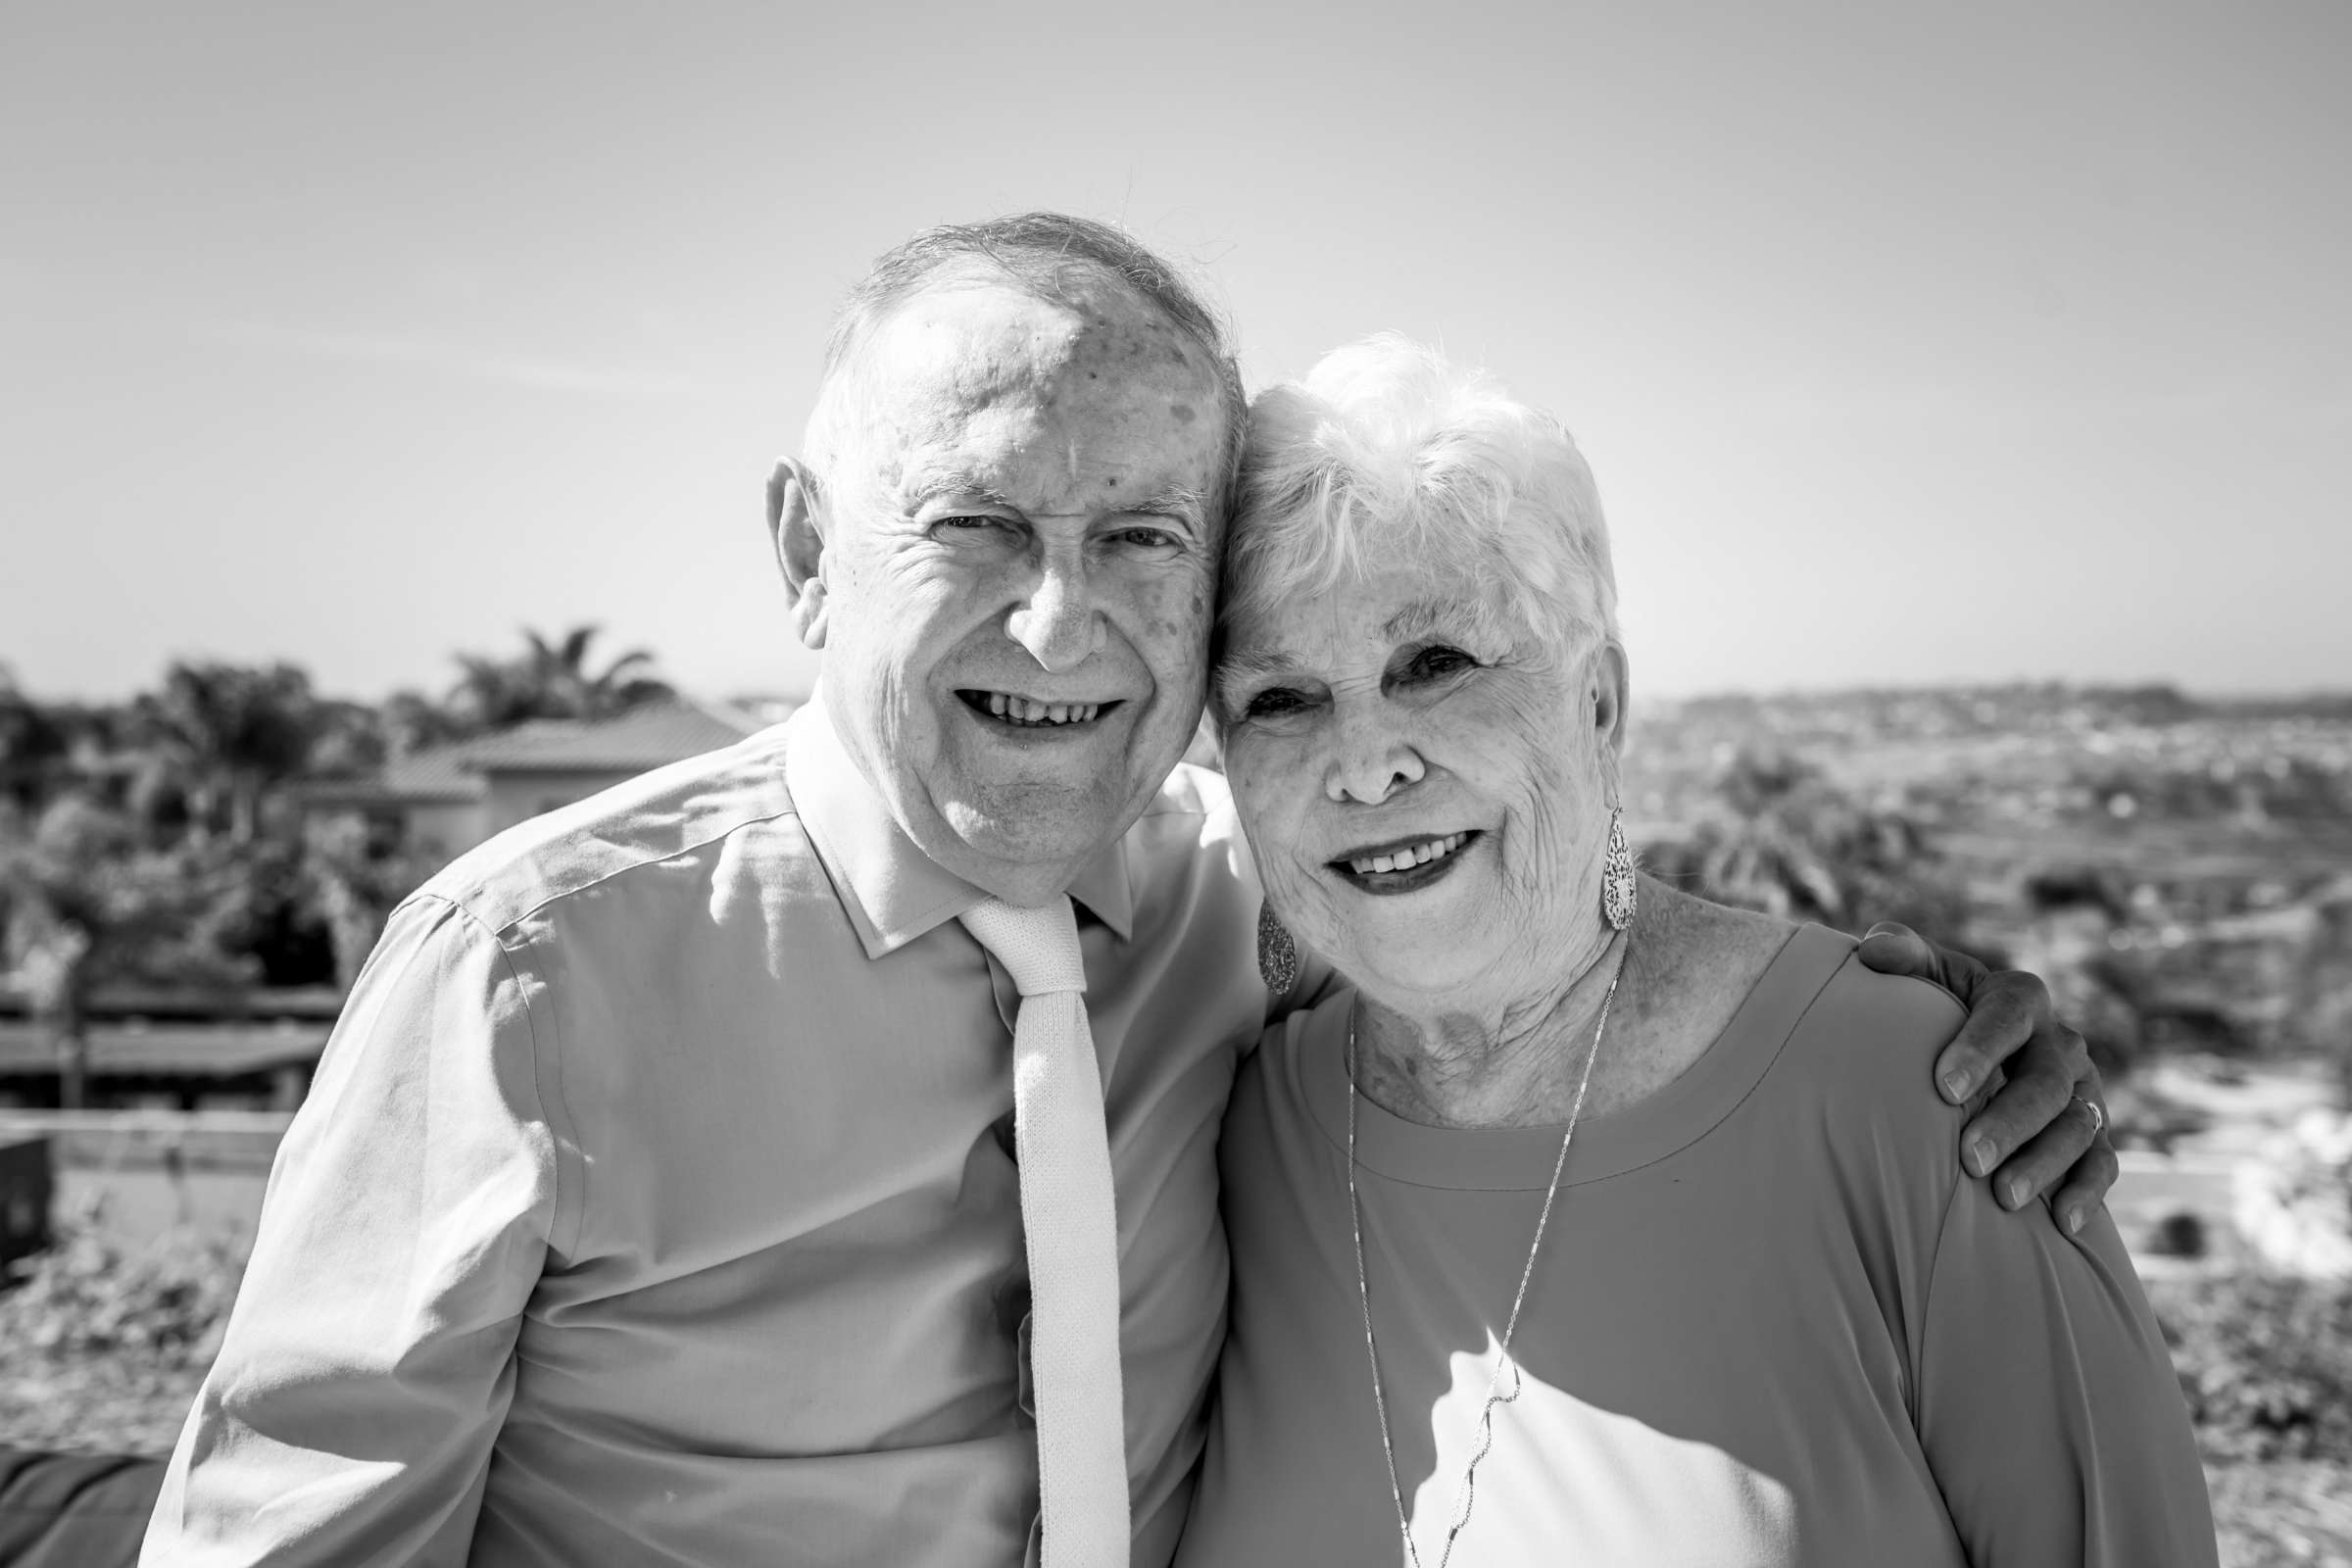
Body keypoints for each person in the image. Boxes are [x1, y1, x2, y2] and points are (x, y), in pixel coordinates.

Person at [141, 217, 2114, 1567]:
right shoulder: (534, 974)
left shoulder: (1218, 917)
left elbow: (1494, 895)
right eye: (979, 521)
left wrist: (1904, 1003)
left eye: (1139, 535)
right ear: (810, 550)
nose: (1060, 615)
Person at [1176, 337, 2215, 1566]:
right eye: (1280, 699)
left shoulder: (1928, 1101)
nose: (1365, 762)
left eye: (1437, 663)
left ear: (1599, 701)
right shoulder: (1233, 1111)